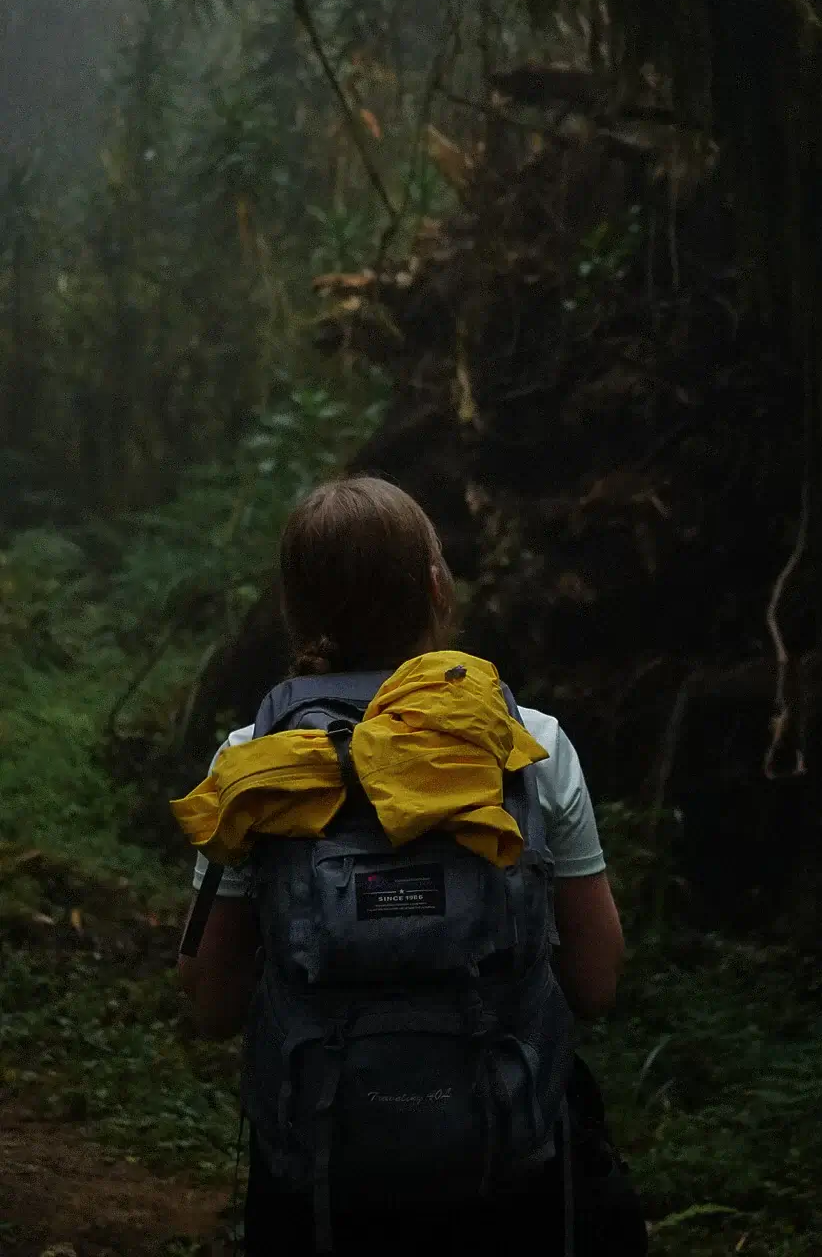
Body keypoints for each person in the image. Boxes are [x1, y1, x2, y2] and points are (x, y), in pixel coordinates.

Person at [176, 475, 645, 1257]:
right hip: (505, 1171)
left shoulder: (256, 762)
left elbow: (213, 1002)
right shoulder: (527, 744)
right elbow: (596, 982)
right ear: (435, 587)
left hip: (321, 1184)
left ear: (294, 606)